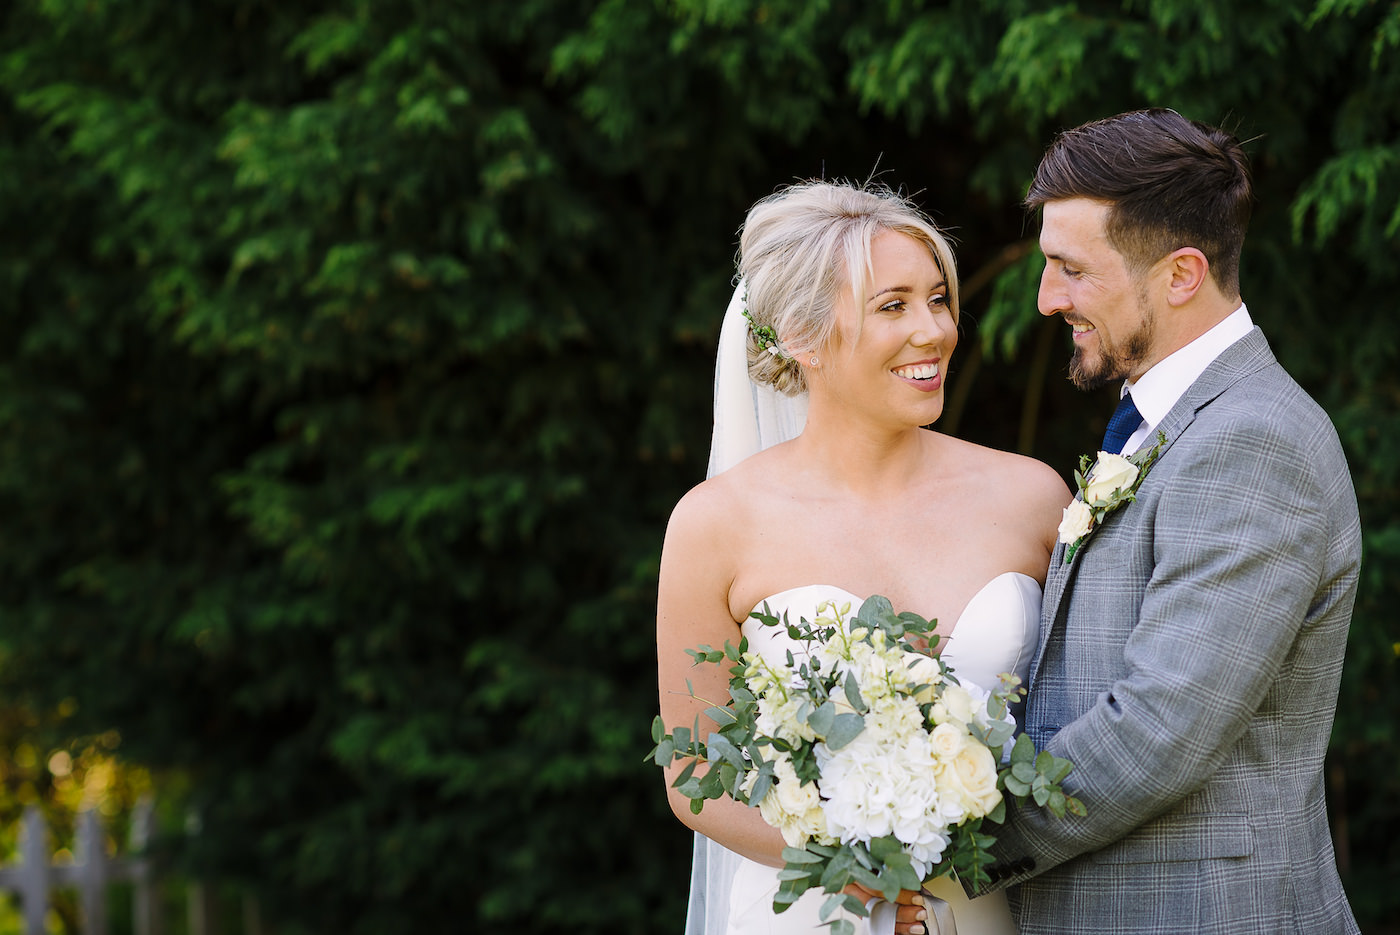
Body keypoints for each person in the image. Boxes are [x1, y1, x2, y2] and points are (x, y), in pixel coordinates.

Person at [975, 109, 1363, 934]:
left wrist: (943, 835)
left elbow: (1158, 729)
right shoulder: (1169, 423)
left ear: (1181, 274)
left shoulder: (1253, 441)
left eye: (1071, 269)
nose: (1047, 300)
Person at [656, 179, 1071, 935]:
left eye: (938, 299)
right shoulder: (714, 525)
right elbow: (694, 775)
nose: (934, 330)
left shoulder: (1033, 498)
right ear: (802, 336)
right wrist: (865, 865)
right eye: (894, 306)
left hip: (991, 905)